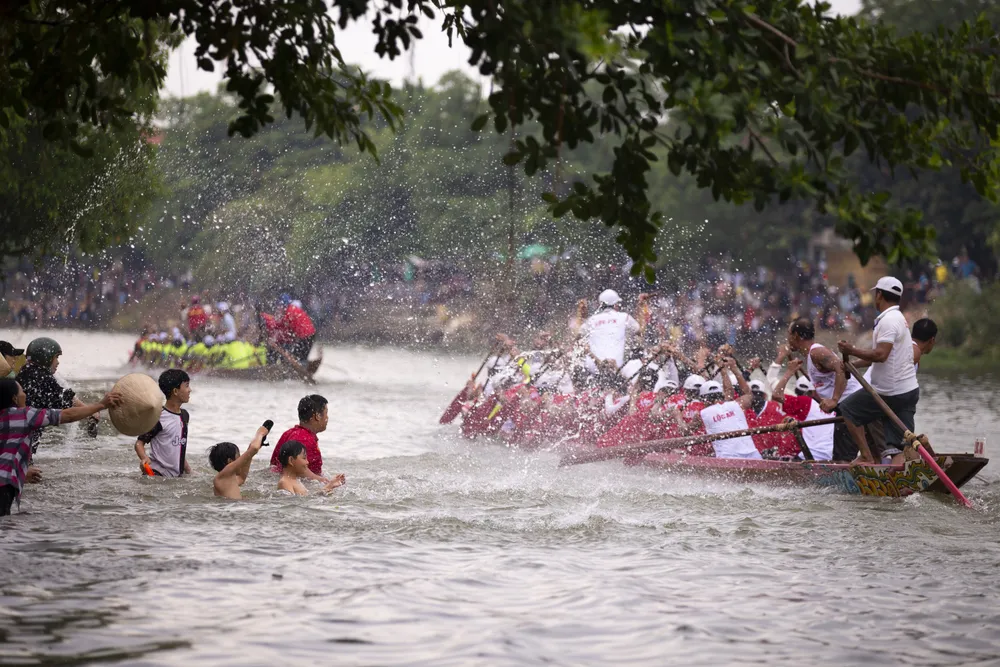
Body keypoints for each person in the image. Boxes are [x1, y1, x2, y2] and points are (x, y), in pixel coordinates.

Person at [0, 378, 122, 516]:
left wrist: (21, 473)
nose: (25, 394)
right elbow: (67, 415)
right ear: (15, 398)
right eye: (22, 391)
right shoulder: (25, 415)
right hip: (4, 486)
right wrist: (100, 405)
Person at [837, 277, 919, 464]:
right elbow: (886, 357)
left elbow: (881, 355)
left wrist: (851, 350)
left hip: (890, 393)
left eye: (876, 293)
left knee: (848, 409)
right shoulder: (899, 318)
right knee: (903, 443)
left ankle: (866, 456)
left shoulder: (888, 321)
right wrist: (854, 363)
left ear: (880, 295)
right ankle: (910, 477)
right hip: (909, 391)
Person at [678, 359, 762, 459]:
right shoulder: (737, 404)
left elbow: (684, 432)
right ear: (721, 395)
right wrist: (733, 369)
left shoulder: (703, 414)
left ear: (704, 399)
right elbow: (748, 393)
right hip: (754, 456)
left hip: (727, 459)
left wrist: (677, 416)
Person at [770, 361, 836, 461]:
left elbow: (776, 395)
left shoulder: (807, 403)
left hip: (810, 456)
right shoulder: (838, 406)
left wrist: (790, 371)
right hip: (832, 456)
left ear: (812, 392)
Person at [134, 369, 192, 477]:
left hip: (175, 476)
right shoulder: (158, 417)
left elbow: (179, 446)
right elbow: (139, 443)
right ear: (175, 391)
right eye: (187, 386)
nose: (190, 390)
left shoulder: (184, 415)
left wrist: (189, 471)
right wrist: (144, 458)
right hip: (157, 474)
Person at [269, 394, 338, 481]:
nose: (327, 417)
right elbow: (299, 470)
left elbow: (274, 465)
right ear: (317, 416)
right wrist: (325, 481)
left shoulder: (289, 433)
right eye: (326, 413)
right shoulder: (303, 439)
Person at [579, 289, 640, 372]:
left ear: (600, 304)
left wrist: (581, 315)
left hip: (593, 368)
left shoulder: (592, 320)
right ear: (615, 305)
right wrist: (641, 305)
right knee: (637, 363)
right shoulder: (624, 317)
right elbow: (639, 331)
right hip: (618, 366)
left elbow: (578, 336)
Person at [210, 423, 270, 499]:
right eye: (239, 456)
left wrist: (250, 454)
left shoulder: (228, 477)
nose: (241, 459)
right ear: (230, 461)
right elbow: (254, 448)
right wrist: (260, 433)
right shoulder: (222, 476)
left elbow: (241, 478)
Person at [276, 440, 345, 496]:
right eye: (304, 458)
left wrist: (330, 485)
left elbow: (309, 498)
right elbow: (291, 507)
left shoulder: (295, 481)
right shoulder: (284, 482)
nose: (307, 462)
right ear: (291, 460)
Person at [276, 295, 316, 363]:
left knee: (297, 356)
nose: (278, 308)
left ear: (283, 305)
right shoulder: (292, 309)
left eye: (279, 306)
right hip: (311, 334)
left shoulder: (288, 313)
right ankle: (302, 367)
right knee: (301, 355)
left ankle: (300, 368)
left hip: (305, 336)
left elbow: (286, 331)